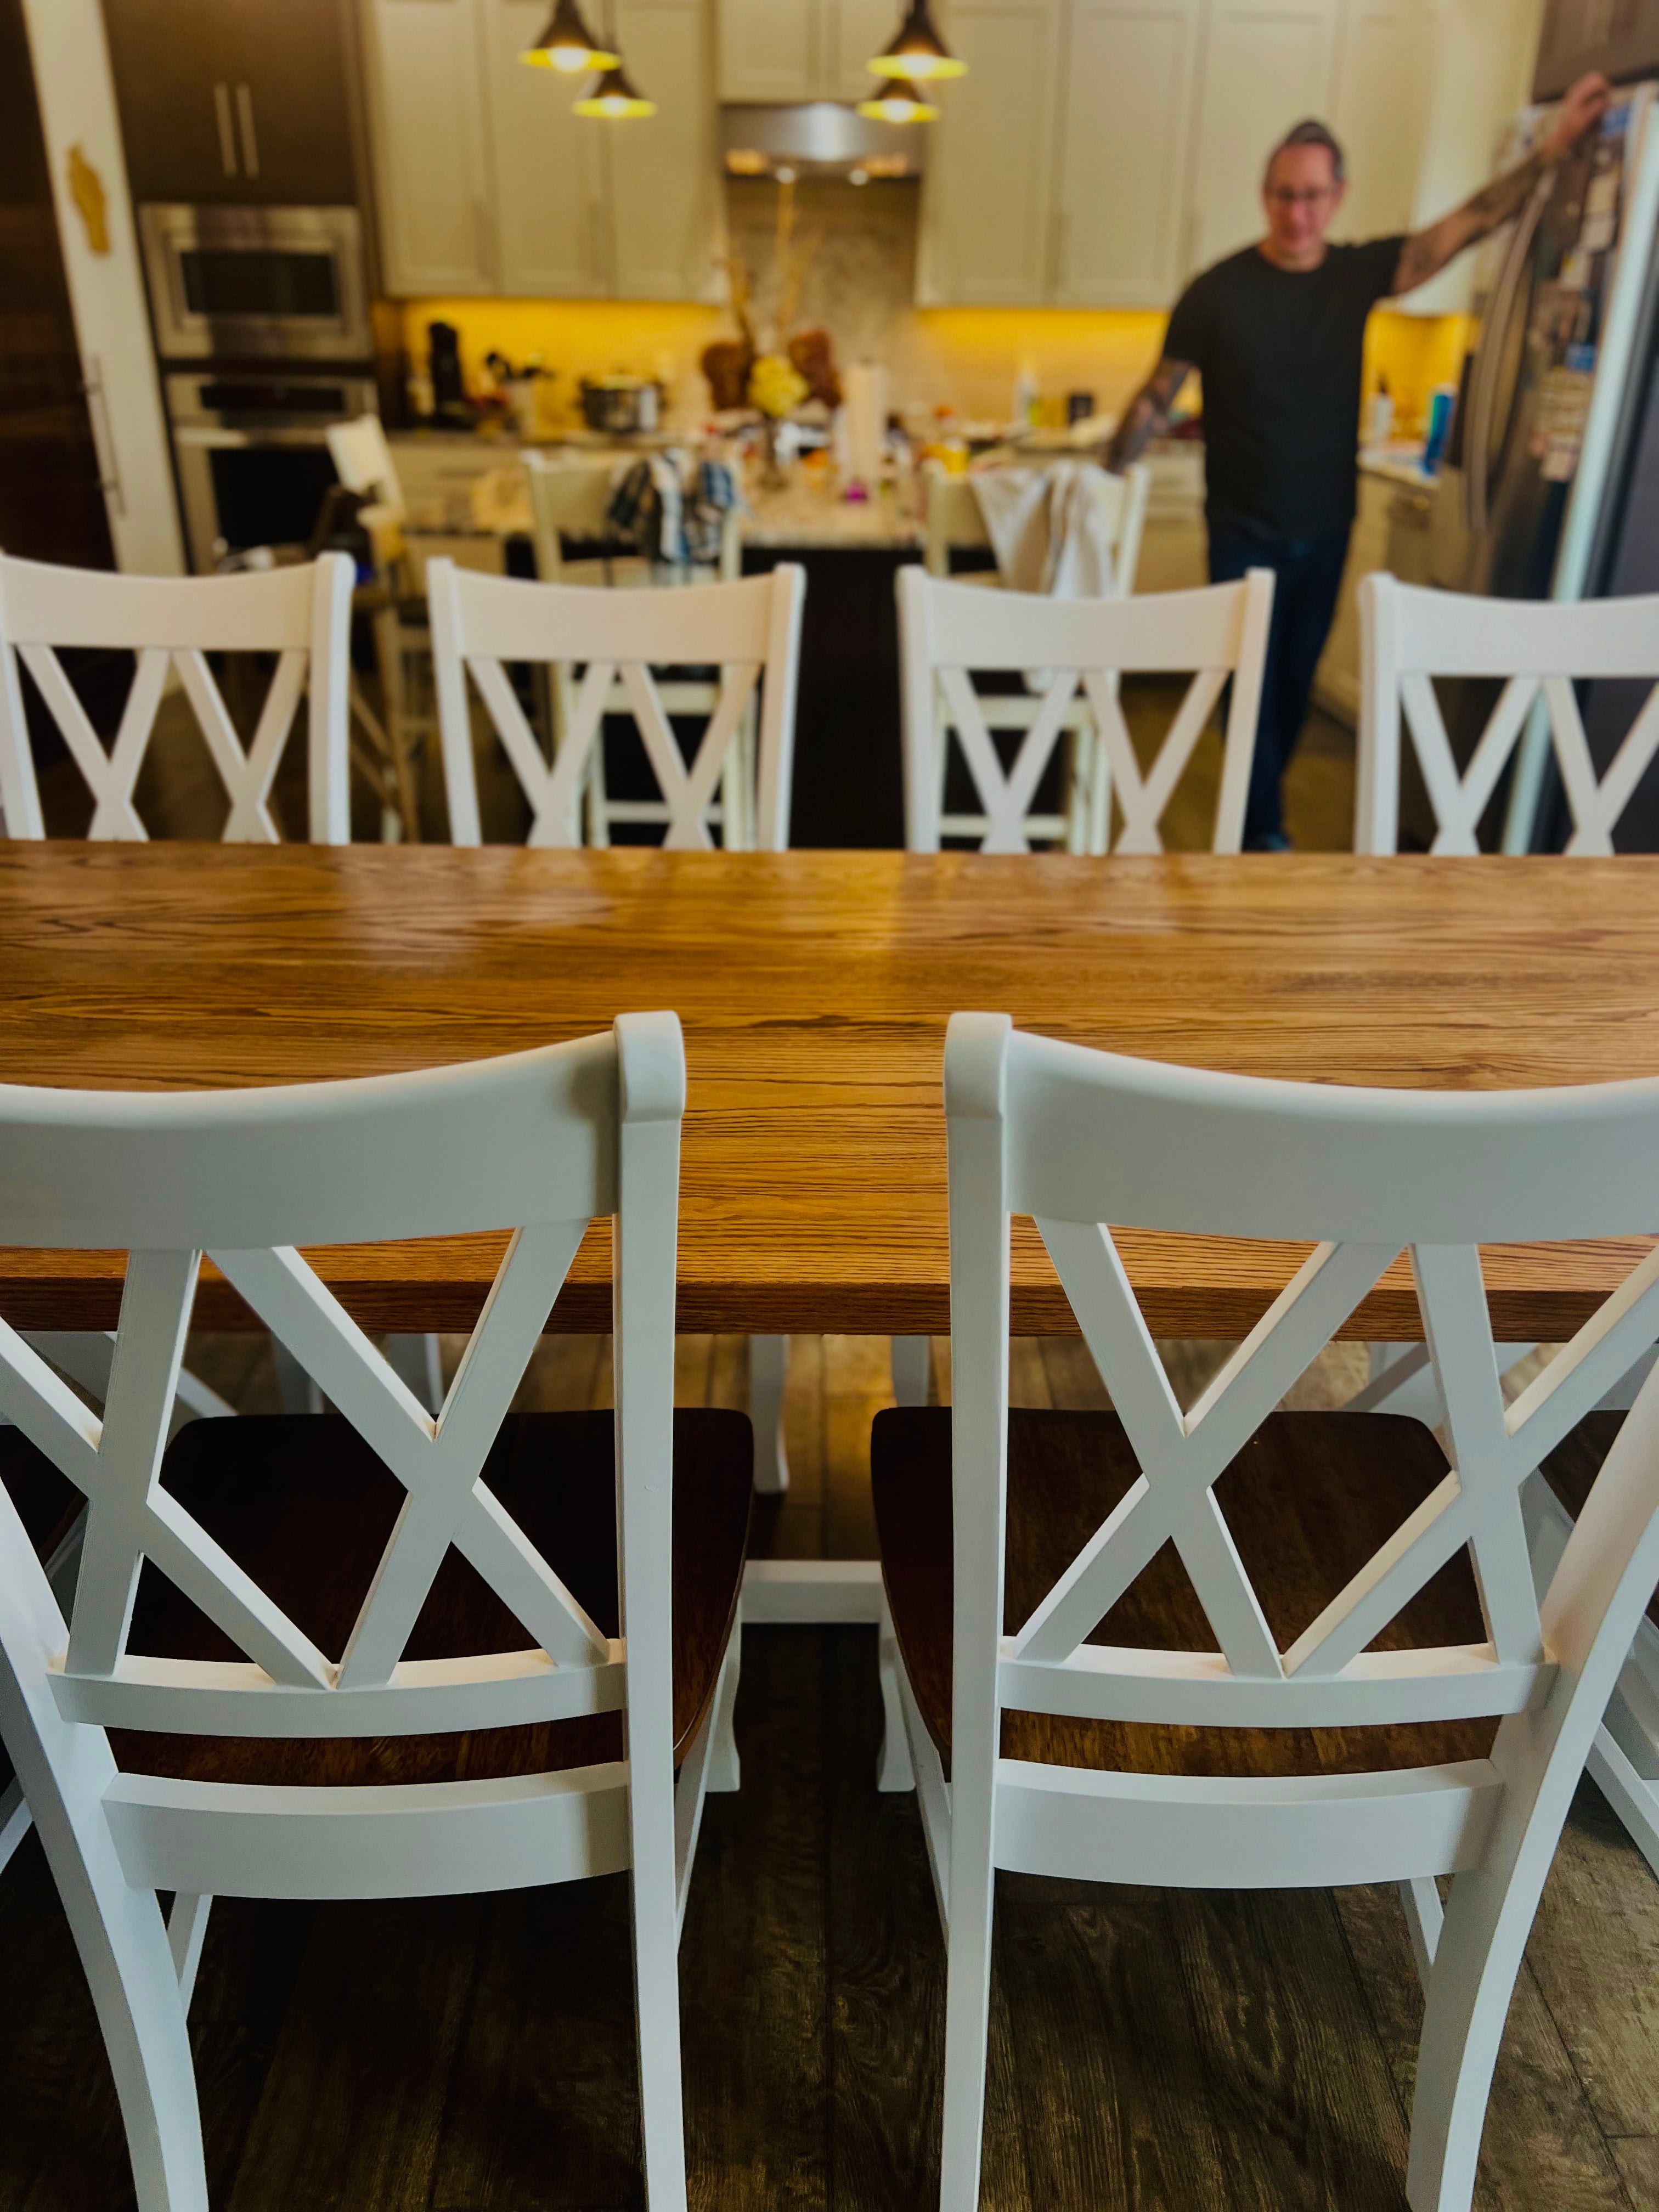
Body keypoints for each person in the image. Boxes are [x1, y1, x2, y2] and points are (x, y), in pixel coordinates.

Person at [1107, 72, 1613, 848]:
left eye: (1311, 195)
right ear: (1263, 193)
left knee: (1292, 689)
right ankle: (1258, 831)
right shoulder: (1215, 292)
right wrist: (1097, 484)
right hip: (1243, 529)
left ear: (1338, 195)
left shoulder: (1358, 274)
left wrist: (1548, 152)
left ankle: (1255, 822)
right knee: (1245, 684)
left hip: (1326, 526)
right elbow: (1156, 398)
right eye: (1283, 194)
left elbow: (1468, 224)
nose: (1296, 212)